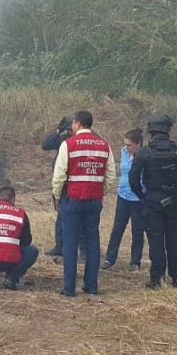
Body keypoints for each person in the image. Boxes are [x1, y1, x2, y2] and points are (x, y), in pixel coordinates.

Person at [52, 110, 116, 297]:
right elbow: (111, 176)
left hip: (72, 200)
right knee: (92, 243)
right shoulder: (104, 145)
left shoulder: (68, 144)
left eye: (73, 123)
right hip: (94, 201)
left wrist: (57, 195)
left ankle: (69, 289)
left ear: (78, 123)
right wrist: (100, 192)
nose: (72, 126)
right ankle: (91, 286)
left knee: (70, 244)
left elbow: (59, 175)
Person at [129, 115, 177, 289]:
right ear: (168, 129)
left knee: (155, 238)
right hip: (174, 200)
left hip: (153, 199)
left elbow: (133, 179)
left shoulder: (144, 152)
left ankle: (157, 279)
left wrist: (143, 196)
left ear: (151, 130)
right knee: (174, 238)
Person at [103, 128, 145, 271]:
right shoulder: (124, 152)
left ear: (138, 144)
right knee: (117, 228)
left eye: (129, 145)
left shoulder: (145, 156)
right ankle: (110, 258)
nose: (126, 147)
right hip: (123, 195)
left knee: (137, 230)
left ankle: (135, 261)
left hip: (138, 198)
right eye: (125, 144)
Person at [41, 115, 74, 257]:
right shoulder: (63, 139)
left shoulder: (86, 139)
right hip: (62, 182)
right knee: (61, 216)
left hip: (76, 183)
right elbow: (45, 145)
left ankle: (82, 249)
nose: (71, 132)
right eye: (68, 129)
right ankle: (60, 247)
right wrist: (57, 130)